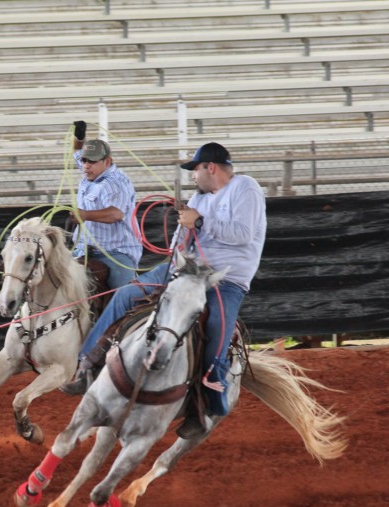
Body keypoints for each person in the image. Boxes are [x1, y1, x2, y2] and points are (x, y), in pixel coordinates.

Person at [60, 141, 267, 439]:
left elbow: (244, 234)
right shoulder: (200, 198)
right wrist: (182, 237)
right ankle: (86, 363)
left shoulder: (245, 188)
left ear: (210, 167)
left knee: (217, 327)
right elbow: (182, 244)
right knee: (125, 296)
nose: (192, 177)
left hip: (225, 279)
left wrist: (200, 220)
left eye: (195, 171)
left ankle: (206, 397)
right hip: (183, 269)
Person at [68, 120, 141, 291]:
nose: (86, 165)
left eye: (91, 161)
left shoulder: (115, 183)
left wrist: (84, 215)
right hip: (83, 251)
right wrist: (79, 137)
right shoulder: (92, 169)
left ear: (107, 161)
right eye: (84, 161)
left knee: (124, 295)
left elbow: (115, 214)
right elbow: (77, 151)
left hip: (116, 253)